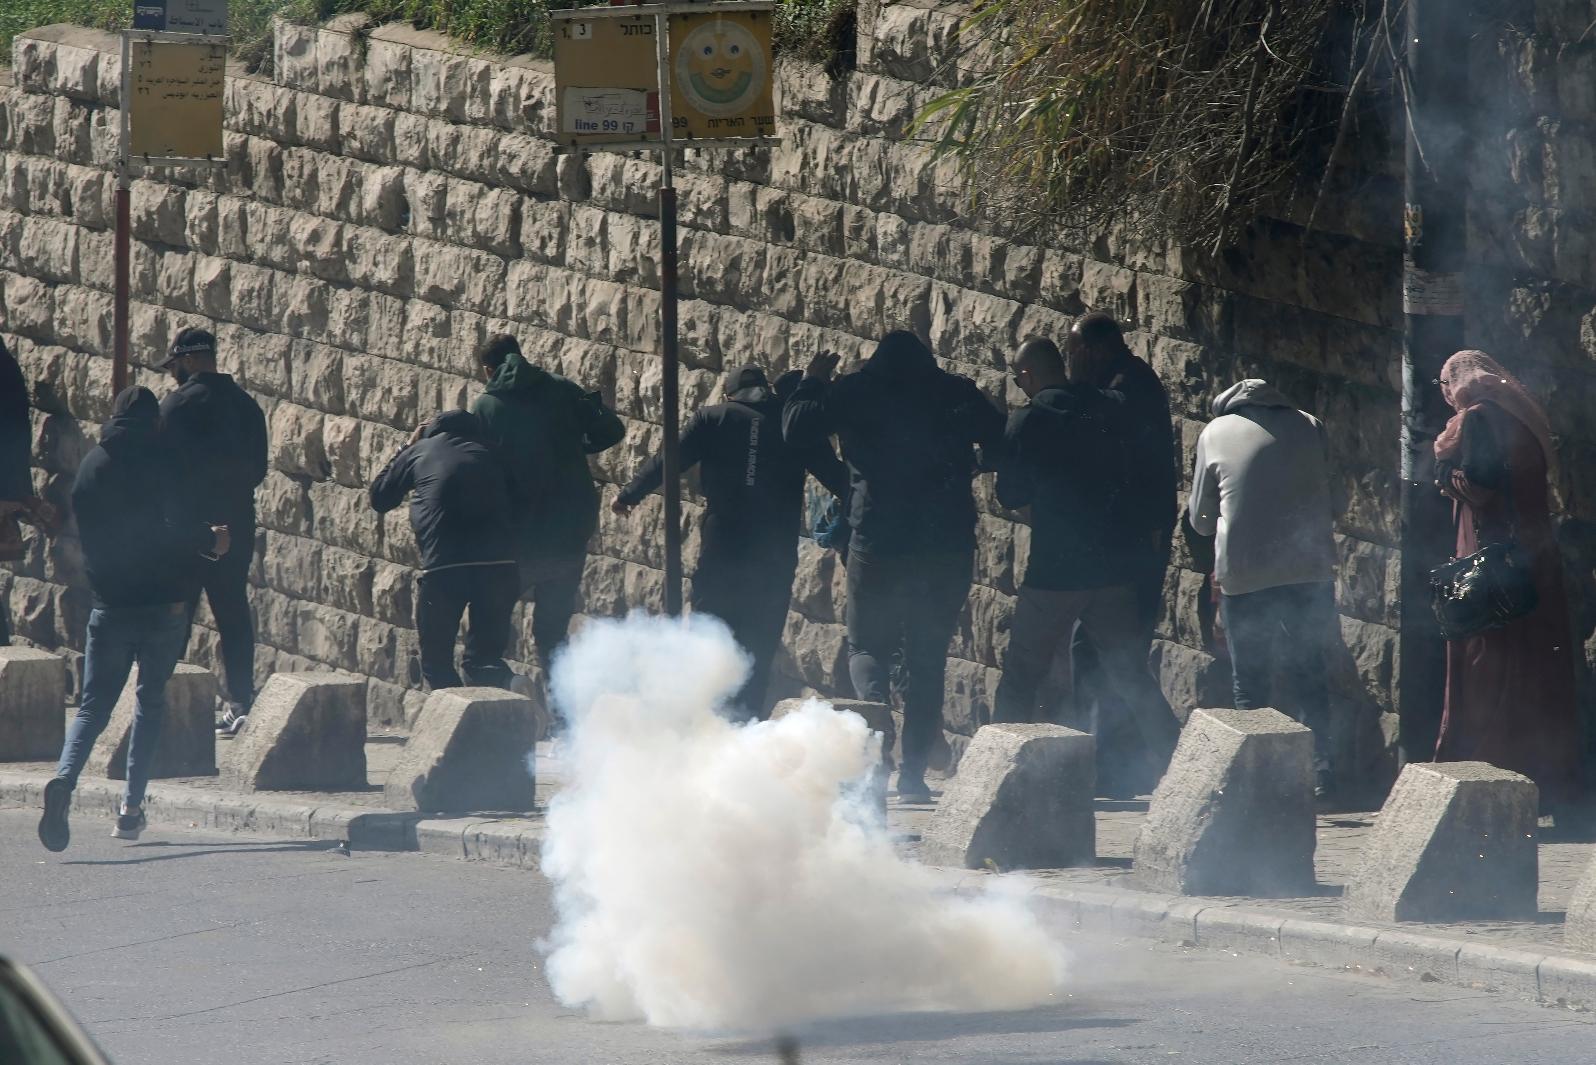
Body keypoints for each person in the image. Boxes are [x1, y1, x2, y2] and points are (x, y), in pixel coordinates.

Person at [783, 331, 1006, 802]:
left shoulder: (855, 390)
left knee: (866, 648)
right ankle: (913, 779)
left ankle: (875, 747)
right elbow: (1005, 441)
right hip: (944, 544)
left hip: (878, 540)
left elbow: (796, 429)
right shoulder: (955, 392)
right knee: (927, 660)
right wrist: (971, 464)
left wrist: (812, 382)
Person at [38, 387, 230, 851]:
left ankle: (65, 778)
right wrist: (212, 540)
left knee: (92, 706)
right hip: (163, 604)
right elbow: (176, 526)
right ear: (154, 421)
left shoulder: (92, 466)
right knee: (150, 701)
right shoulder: (163, 462)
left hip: (110, 605)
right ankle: (130, 810)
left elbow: (86, 528)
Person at [991, 338, 1183, 772]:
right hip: (1112, 568)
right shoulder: (1110, 408)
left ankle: (995, 771)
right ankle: (1183, 767)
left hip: (1055, 572)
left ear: (1028, 376)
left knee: (1021, 675)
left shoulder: (1029, 419)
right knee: (1132, 676)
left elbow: (1010, 492)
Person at [614, 365, 846, 720]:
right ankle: (747, 720)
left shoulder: (713, 418)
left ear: (729, 395)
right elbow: (836, 477)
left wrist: (630, 494)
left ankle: (706, 718)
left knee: (711, 633)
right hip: (774, 548)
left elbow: (669, 460)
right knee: (761, 638)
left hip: (724, 542)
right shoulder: (789, 424)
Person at [1432, 350, 1585, 805]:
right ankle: (1550, 778)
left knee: (1489, 664)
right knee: (1538, 664)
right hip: (1533, 558)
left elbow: (1479, 486)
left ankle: (1490, 770)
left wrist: (1445, 474)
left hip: (1491, 565)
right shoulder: (1522, 417)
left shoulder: (1476, 420)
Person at [1188, 378, 1339, 796]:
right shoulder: (1311, 424)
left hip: (1247, 574)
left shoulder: (1215, 432)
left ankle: (1258, 780)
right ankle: (1322, 772)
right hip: (1310, 570)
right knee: (1311, 673)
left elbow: (1200, 521)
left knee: (1249, 680)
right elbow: (1332, 497)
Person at [1065, 312, 1180, 795]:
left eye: (1072, 352)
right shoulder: (1123, 382)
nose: (1072, 360)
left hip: (1132, 548)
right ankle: (1115, 766)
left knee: (1115, 656)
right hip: (1119, 544)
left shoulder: (1133, 385)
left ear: (1091, 349)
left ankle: (1168, 755)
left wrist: (1064, 390)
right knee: (1101, 654)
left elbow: (1115, 415)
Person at [469, 335, 625, 675]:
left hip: (517, 541)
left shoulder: (486, 407)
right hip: (569, 534)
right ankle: (563, 720)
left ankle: (495, 714)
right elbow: (612, 429)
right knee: (553, 637)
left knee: (488, 632)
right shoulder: (563, 389)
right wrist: (575, 446)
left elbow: (479, 469)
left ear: (487, 369)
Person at [158, 328, 268, 735]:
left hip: (188, 527)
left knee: (176, 615)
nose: (173, 375)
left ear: (187, 360)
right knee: (233, 613)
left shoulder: (176, 406)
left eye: (174, 367)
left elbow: (161, 471)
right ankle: (241, 700)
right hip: (236, 524)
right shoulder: (246, 405)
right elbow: (257, 469)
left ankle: (168, 701)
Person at [370, 410, 521, 691]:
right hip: (500, 566)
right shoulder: (494, 452)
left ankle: (460, 727)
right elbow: (522, 502)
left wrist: (407, 446)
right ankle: (509, 682)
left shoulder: (421, 450)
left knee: (436, 664)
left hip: (444, 568)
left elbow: (380, 496)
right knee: (482, 662)